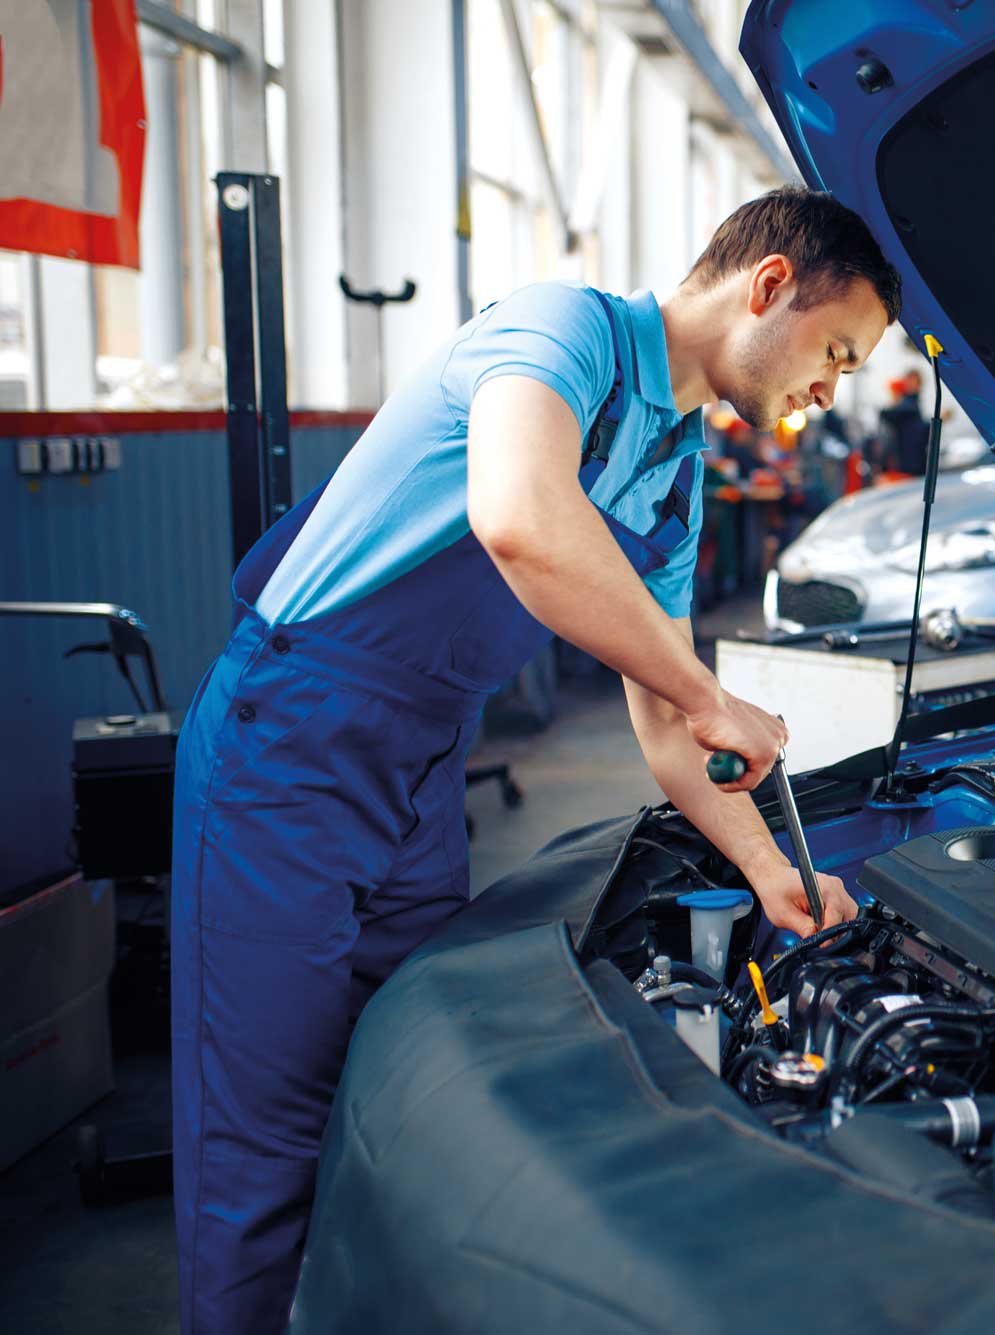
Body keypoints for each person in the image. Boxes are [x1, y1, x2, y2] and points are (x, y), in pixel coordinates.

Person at [169, 187, 897, 1333]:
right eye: (835, 351)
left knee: (397, 1082)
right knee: (261, 1139)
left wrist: (772, 876)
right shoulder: (560, 332)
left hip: (420, 769)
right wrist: (714, 695)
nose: (828, 390)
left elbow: (664, 722)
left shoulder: (672, 468)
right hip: (291, 743)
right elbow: (518, 514)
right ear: (768, 290)